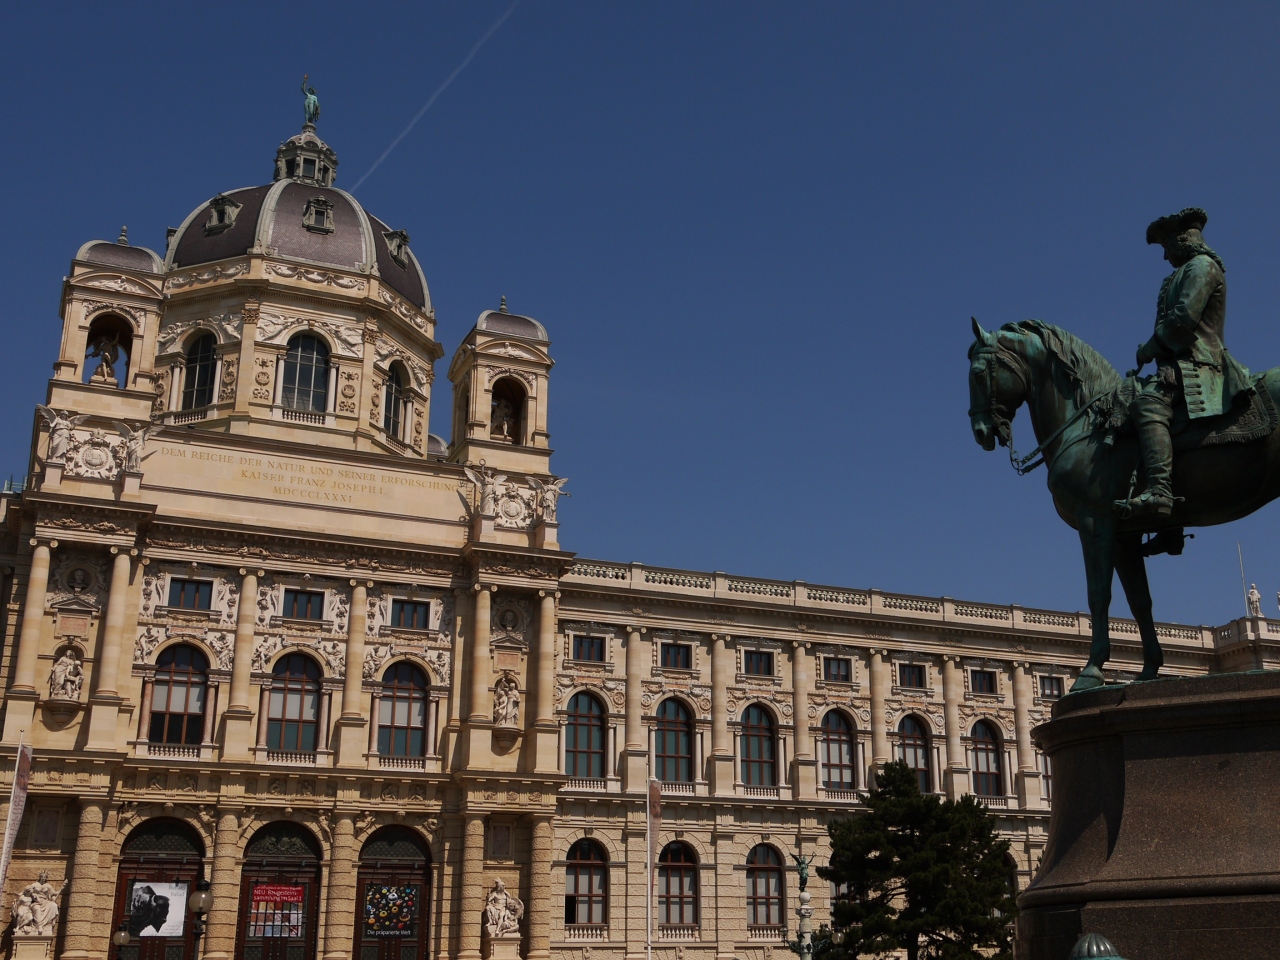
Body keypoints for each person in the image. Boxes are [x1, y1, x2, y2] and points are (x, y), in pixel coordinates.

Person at [1114, 208, 1252, 519]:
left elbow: (1182, 320)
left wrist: (1149, 348)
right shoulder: (1184, 271)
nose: (1164, 257)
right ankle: (1170, 528)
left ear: (1182, 240)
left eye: (1166, 247)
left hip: (1199, 363)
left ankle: (1160, 491)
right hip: (1177, 363)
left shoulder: (1202, 267)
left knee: (1148, 404)